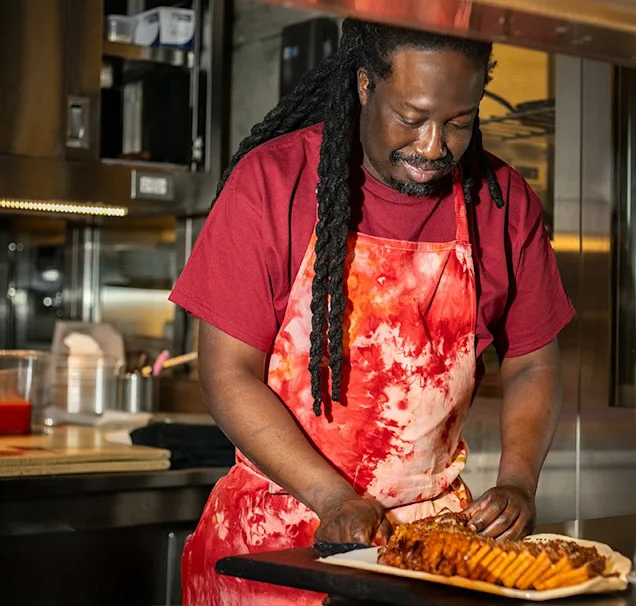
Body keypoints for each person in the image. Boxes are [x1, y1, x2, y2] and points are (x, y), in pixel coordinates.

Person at [170, 17, 575, 606]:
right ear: (364, 85)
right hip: (276, 548)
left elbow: (534, 365)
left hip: (429, 552)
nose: (434, 147)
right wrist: (332, 498)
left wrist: (517, 481)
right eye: (411, 119)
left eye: (459, 122)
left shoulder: (502, 202)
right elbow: (226, 372)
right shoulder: (274, 182)